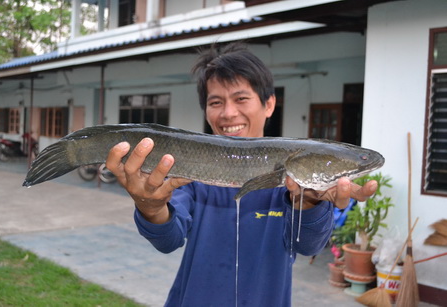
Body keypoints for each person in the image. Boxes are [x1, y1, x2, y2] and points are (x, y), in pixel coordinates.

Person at [106, 42, 377, 306]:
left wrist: (309, 202)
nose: (228, 113)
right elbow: (168, 239)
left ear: (269, 104)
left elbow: (307, 246)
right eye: (215, 102)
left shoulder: (291, 184)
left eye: (241, 98)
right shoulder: (190, 173)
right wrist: (151, 208)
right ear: (206, 109)